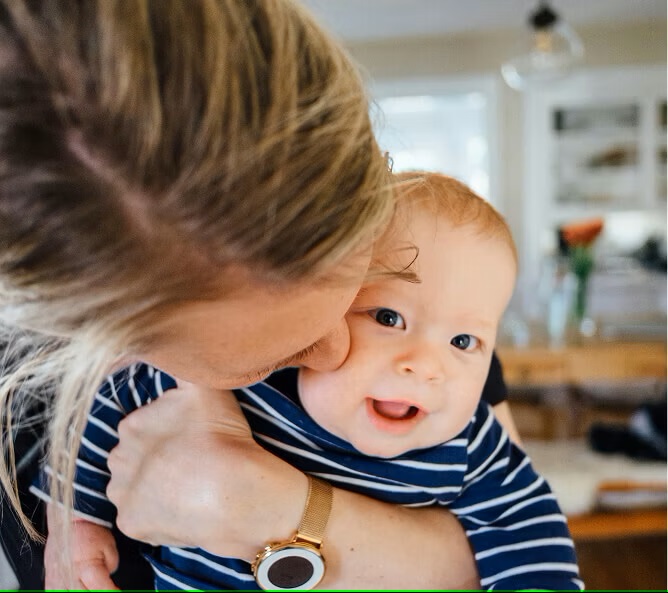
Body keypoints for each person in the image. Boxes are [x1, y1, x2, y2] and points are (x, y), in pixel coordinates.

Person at [0, 1, 516, 589]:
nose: (338, 350)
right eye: (280, 354)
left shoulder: (422, 305)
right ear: (106, 344)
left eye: (359, 297)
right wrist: (73, 512)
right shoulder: (34, 421)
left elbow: (501, 545)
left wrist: (279, 510)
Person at [37, 172, 583, 591]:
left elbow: (527, 527)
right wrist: (77, 519)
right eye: (388, 319)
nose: (425, 363)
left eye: (464, 342)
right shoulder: (247, 376)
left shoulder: (469, 441)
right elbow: (112, 400)